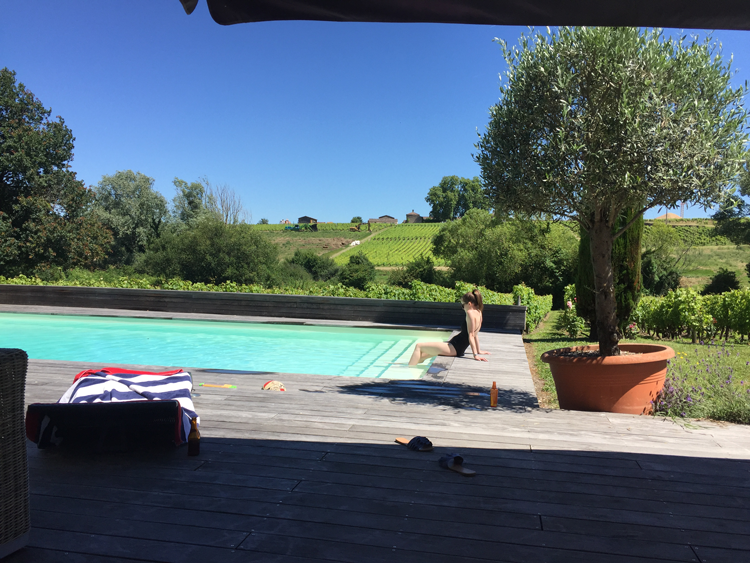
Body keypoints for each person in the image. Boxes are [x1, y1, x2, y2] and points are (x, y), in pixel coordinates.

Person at [408, 289, 490, 365]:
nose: (462, 307)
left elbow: (471, 335)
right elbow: (475, 334)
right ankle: (410, 366)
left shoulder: (470, 312)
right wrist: (478, 351)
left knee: (419, 346)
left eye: (462, 305)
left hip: (455, 347)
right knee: (422, 355)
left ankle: (408, 373)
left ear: (469, 304)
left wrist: (475, 355)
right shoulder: (479, 312)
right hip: (456, 346)